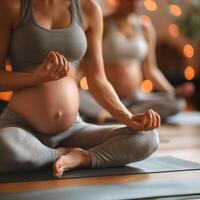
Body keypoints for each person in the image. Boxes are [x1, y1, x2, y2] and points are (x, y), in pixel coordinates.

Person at [0, 0, 160, 178]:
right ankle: (60, 155)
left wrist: (127, 117)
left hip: (73, 130)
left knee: (148, 138)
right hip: (21, 128)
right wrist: (34, 78)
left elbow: (98, 80)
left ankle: (83, 157)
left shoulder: (89, 9)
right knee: (3, 144)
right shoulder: (11, 6)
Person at [79, 0, 194, 123]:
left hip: (136, 99)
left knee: (178, 103)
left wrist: (172, 92)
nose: (134, 4)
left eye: (137, 1)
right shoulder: (102, 23)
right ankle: (115, 112)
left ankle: (120, 115)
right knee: (76, 96)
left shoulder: (146, 29)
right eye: (130, 1)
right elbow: (84, 63)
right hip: (104, 100)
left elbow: (151, 70)